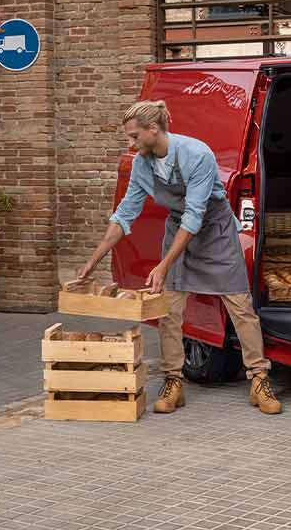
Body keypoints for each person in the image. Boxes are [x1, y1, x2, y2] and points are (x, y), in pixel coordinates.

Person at [74, 100, 277, 415]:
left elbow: (195, 216)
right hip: (179, 231)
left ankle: (259, 379)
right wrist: (94, 259)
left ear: (154, 129)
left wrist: (163, 264)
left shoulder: (197, 155)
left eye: (134, 136)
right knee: (168, 309)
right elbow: (125, 214)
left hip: (215, 231)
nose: (130, 143)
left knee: (241, 306)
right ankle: (173, 382)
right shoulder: (142, 164)